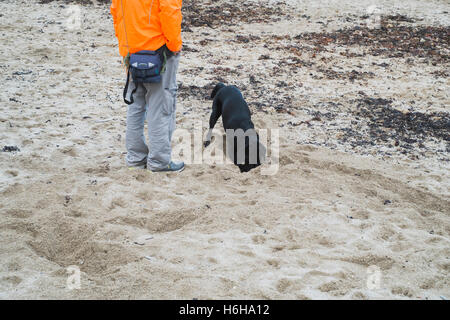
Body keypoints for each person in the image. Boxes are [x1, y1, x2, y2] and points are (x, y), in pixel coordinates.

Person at [110, 0, 184, 172]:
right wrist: (174, 45)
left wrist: (126, 46)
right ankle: (159, 161)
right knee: (160, 107)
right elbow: (170, 11)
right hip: (159, 52)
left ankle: (136, 158)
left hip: (132, 51)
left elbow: (116, 12)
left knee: (135, 105)